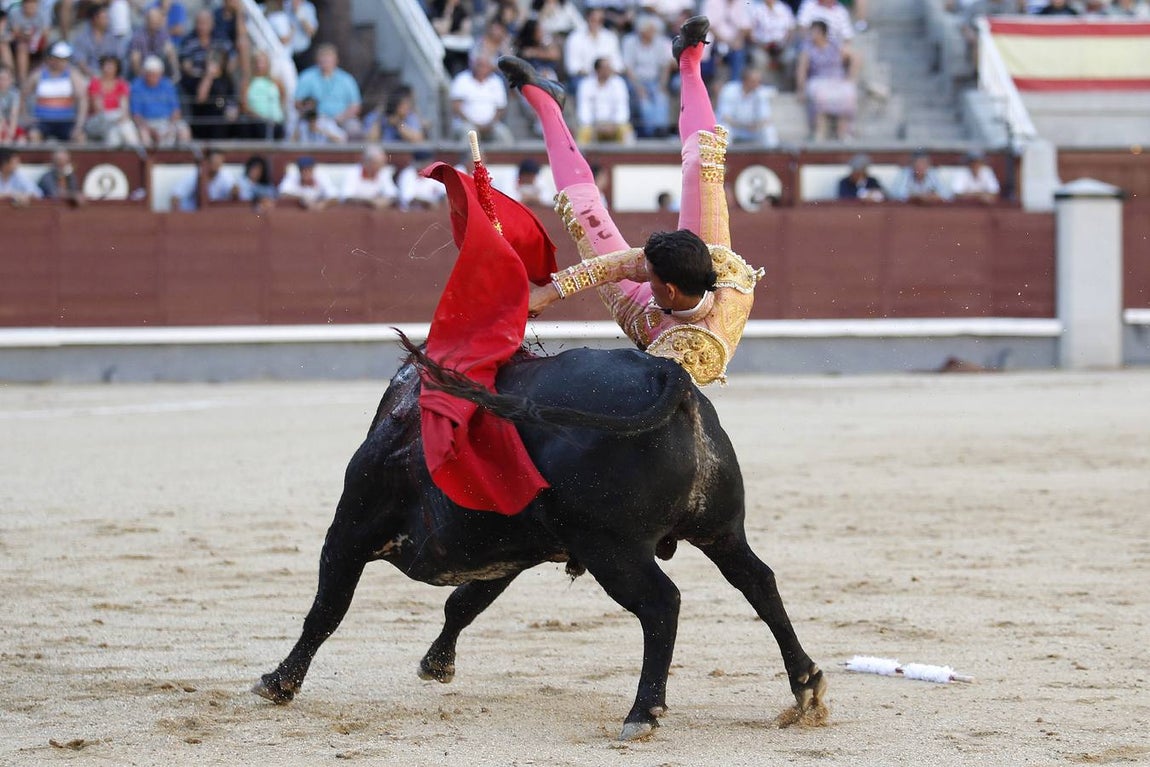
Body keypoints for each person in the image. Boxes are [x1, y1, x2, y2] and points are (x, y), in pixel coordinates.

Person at [499, 14, 764, 386]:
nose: (637, 271)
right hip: (695, 265)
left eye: (646, 274)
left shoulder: (695, 350)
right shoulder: (721, 266)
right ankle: (689, 62)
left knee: (580, 211)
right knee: (704, 160)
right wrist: (552, 291)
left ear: (666, 288)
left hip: (643, 317)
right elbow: (625, 264)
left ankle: (548, 106)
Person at [795, 19, 856, 140]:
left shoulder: (835, 45)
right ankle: (819, 131)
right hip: (818, 79)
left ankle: (843, 132)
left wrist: (850, 78)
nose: (812, 35)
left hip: (837, 79)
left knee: (848, 93)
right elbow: (801, 69)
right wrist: (800, 89)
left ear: (823, 33)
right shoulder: (807, 48)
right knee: (819, 95)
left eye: (815, 32)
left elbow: (856, 58)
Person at [621, 14, 673, 139]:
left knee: (661, 97)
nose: (653, 32)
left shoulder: (659, 42)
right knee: (645, 102)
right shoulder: (630, 42)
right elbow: (628, 68)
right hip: (635, 81)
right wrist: (638, 87)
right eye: (650, 30)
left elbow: (665, 66)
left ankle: (660, 129)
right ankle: (650, 132)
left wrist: (663, 84)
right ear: (642, 31)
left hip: (654, 81)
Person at [24, 41, 88, 143]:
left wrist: (79, 124)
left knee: (79, 137)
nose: (62, 62)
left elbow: (82, 99)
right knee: (33, 135)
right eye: (59, 59)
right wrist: (26, 117)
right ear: (50, 58)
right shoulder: (38, 75)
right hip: (43, 121)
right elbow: (24, 96)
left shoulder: (73, 75)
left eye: (64, 59)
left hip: (66, 121)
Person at [295, 43, 361, 137]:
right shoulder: (307, 77)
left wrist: (341, 117)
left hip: (342, 119)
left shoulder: (346, 79)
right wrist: (311, 115)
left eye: (328, 60)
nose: (325, 62)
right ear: (317, 61)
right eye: (323, 60)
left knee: (354, 128)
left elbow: (355, 105)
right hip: (315, 119)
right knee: (302, 128)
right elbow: (298, 102)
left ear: (336, 60)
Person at [449, 52, 513, 144]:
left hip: (490, 124)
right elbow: (456, 107)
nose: (481, 68)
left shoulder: (496, 81)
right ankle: (469, 158)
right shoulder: (462, 79)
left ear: (490, 67)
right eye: (479, 65)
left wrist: (490, 123)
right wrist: (473, 123)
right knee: (470, 133)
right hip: (466, 123)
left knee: (503, 134)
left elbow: (501, 108)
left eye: (485, 65)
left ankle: (501, 159)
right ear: (473, 65)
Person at [130, 54, 191, 147]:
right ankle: (151, 159)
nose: (153, 77)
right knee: (144, 134)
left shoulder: (167, 85)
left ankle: (182, 157)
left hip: (167, 121)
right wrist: (150, 129)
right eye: (150, 74)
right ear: (145, 74)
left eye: (155, 74)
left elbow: (176, 111)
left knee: (184, 130)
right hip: (147, 122)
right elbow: (136, 115)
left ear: (160, 74)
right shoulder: (137, 86)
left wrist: (170, 125)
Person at [576, 56, 634, 144]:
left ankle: (628, 158)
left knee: (626, 131)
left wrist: (614, 125)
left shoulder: (619, 83)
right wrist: (596, 126)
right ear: (597, 70)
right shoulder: (586, 84)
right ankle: (579, 158)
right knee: (584, 132)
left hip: (614, 124)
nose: (609, 70)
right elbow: (584, 110)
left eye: (609, 67)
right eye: (605, 68)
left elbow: (622, 108)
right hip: (593, 125)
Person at [85, 55, 140, 146]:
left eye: (111, 65)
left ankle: (133, 150)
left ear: (117, 68)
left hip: (117, 120)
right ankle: (138, 151)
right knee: (121, 127)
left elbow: (124, 107)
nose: (108, 68)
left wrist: (122, 117)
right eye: (106, 65)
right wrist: (117, 118)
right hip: (98, 120)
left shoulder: (121, 84)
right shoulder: (95, 83)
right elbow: (98, 108)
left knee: (120, 130)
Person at [715, 66, 778, 146]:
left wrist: (756, 125)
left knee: (769, 130)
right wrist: (742, 126)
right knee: (724, 128)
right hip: (734, 128)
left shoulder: (760, 92)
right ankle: (726, 157)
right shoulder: (729, 90)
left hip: (753, 129)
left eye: (758, 81)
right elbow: (725, 116)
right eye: (754, 81)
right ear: (745, 81)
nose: (757, 84)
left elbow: (766, 118)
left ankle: (771, 157)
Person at [70, 4, 129, 79]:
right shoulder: (82, 38)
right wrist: (93, 76)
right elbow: (80, 61)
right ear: (95, 19)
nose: (108, 20)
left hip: (111, 75)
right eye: (104, 18)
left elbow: (119, 59)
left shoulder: (113, 37)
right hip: (88, 76)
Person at [170, 147, 239, 211]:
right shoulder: (194, 175)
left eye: (220, 162)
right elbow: (175, 197)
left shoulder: (224, 174)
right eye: (214, 161)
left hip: (214, 215)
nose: (217, 164)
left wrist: (235, 191)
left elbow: (234, 192)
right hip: (191, 213)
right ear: (207, 162)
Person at [243, 50, 286, 139]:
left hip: (276, 122)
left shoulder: (275, 81)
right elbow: (244, 105)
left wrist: (278, 112)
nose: (259, 65)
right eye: (257, 62)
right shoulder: (247, 82)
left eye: (262, 62)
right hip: (256, 123)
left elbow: (283, 95)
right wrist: (260, 117)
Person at [341, 144, 398, 209]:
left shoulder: (383, 172)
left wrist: (384, 201)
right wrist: (370, 202)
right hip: (355, 211)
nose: (381, 167)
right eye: (377, 164)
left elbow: (393, 194)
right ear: (368, 162)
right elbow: (347, 197)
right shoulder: (353, 172)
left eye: (382, 164)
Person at [128, 7, 179, 79]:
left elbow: (169, 49)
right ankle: (140, 80)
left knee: (170, 50)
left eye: (156, 20)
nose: (154, 23)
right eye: (152, 20)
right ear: (146, 20)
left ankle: (174, 75)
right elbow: (134, 56)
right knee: (135, 58)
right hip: (144, 66)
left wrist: (174, 69)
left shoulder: (163, 33)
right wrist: (140, 72)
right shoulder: (138, 35)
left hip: (159, 65)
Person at [0, 64, 24, 144]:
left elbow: (14, 114)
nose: (2, 82)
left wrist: (11, 132)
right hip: (1, 124)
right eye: (0, 79)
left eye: (5, 79)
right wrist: (6, 132)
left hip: (10, 123)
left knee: (21, 140)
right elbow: (1, 117)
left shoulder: (15, 93)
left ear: (11, 80)